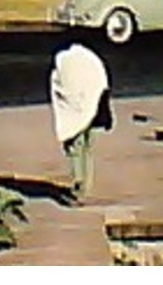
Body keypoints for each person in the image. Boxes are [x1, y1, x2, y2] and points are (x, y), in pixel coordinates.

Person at [49, 29, 113, 204]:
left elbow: (60, 86)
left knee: (75, 150)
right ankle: (86, 187)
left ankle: (78, 187)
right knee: (87, 150)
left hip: (74, 114)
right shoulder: (90, 59)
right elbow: (102, 83)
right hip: (93, 111)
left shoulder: (64, 61)